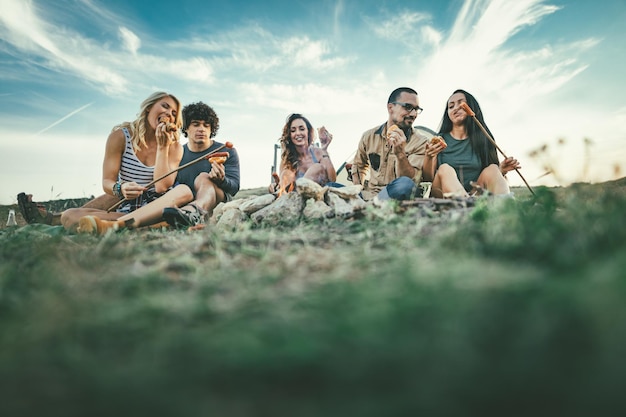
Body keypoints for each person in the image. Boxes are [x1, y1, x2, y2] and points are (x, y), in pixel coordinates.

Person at [60, 91, 194, 234]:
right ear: (149, 107)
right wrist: (121, 188)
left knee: (184, 191)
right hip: (128, 206)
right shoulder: (120, 137)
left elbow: (162, 187)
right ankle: (147, 225)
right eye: (165, 106)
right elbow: (107, 182)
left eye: (174, 113)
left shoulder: (174, 147)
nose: (169, 114)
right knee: (70, 215)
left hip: (159, 205)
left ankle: (117, 225)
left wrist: (163, 147)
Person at [422, 89, 520, 198]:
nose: (456, 108)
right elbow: (428, 180)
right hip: (442, 195)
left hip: (475, 194)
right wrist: (429, 156)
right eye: (451, 106)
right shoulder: (439, 139)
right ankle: (466, 206)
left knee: (493, 168)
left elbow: (489, 177)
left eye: (461, 103)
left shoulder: (484, 138)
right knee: (445, 169)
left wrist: (500, 170)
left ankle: (507, 209)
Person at [161, 101, 240, 228]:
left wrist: (221, 180)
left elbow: (234, 188)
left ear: (211, 129)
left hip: (217, 200)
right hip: (186, 199)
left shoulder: (226, 151)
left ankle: (193, 212)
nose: (201, 129)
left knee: (203, 177)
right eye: (196, 124)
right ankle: (188, 215)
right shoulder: (177, 154)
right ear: (186, 127)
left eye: (206, 125)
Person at [351, 87, 428, 201]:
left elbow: (410, 181)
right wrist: (358, 190)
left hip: (396, 194)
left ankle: (371, 207)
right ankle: (363, 204)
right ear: (390, 107)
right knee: (331, 187)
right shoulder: (368, 136)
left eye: (416, 109)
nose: (413, 114)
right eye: (408, 107)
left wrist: (400, 154)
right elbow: (359, 165)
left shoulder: (421, 142)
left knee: (405, 185)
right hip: (369, 195)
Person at [269, 113, 337, 194]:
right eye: (293, 130)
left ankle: (298, 193)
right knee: (286, 174)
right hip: (292, 198)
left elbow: (333, 180)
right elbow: (281, 183)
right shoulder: (286, 159)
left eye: (302, 129)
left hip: (316, 195)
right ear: (290, 135)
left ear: (308, 131)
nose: (298, 133)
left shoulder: (318, 152)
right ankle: (293, 198)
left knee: (317, 168)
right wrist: (275, 186)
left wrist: (324, 150)